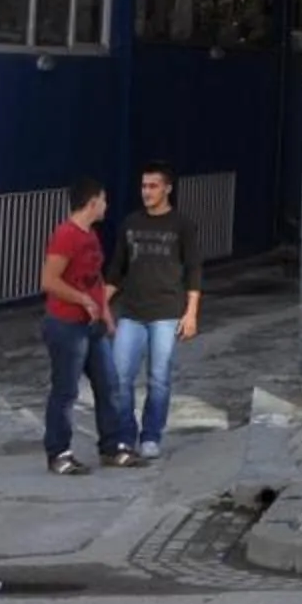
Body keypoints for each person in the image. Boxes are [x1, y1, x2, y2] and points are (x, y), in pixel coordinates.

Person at [108, 163, 203, 463]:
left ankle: (151, 436)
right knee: (120, 377)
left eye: (153, 186)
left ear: (167, 189)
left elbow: (194, 271)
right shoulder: (130, 223)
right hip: (131, 312)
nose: (146, 192)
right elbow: (116, 269)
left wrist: (191, 314)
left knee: (159, 378)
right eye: (144, 186)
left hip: (166, 313)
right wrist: (99, 305)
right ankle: (125, 435)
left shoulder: (182, 225)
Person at [39, 175, 130, 474]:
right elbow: (49, 281)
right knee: (66, 391)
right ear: (92, 202)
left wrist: (104, 310)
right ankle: (59, 453)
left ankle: (112, 447)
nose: (106, 205)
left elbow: (95, 276)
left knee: (108, 385)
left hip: (92, 325)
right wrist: (82, 300)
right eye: (103, 200)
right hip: (66, 324)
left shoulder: (90, 235)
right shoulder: (66, 235)